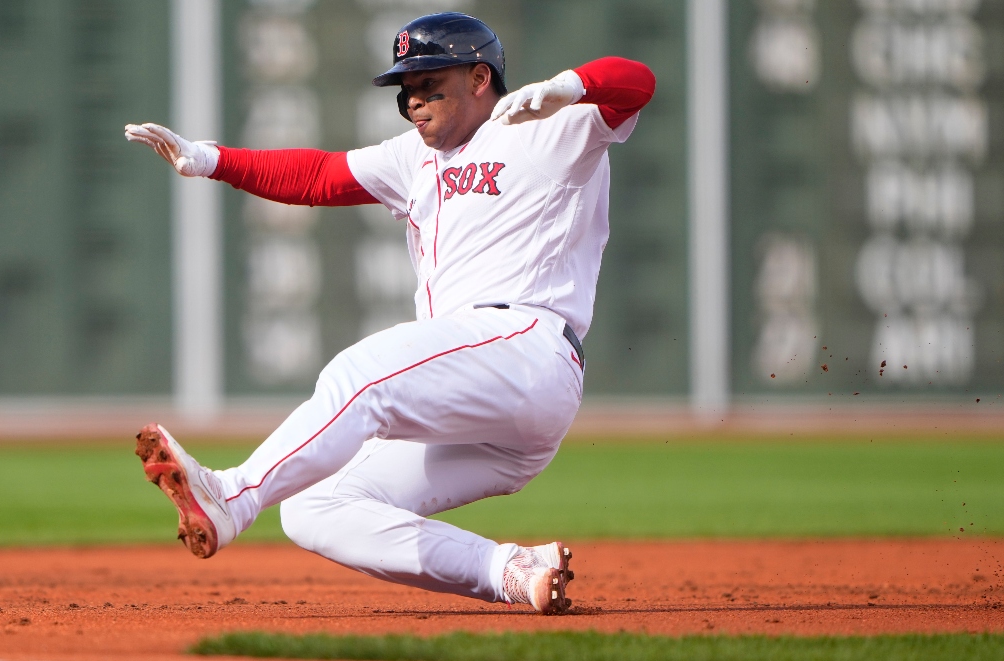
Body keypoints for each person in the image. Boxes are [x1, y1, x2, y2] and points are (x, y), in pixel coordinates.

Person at [125, 12, 654, 615]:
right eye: (406, 92)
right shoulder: (412, 158)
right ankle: (509, 570)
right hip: (488, 411)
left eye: (431, 85)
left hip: (528, 342)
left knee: (362, 371)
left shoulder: (551, 126)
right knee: (314, 507)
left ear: (481, 77)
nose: (415, 102)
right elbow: (318, 176)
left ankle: (233, 496)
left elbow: (637, 80)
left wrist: (573, 86)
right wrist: (210, 159)